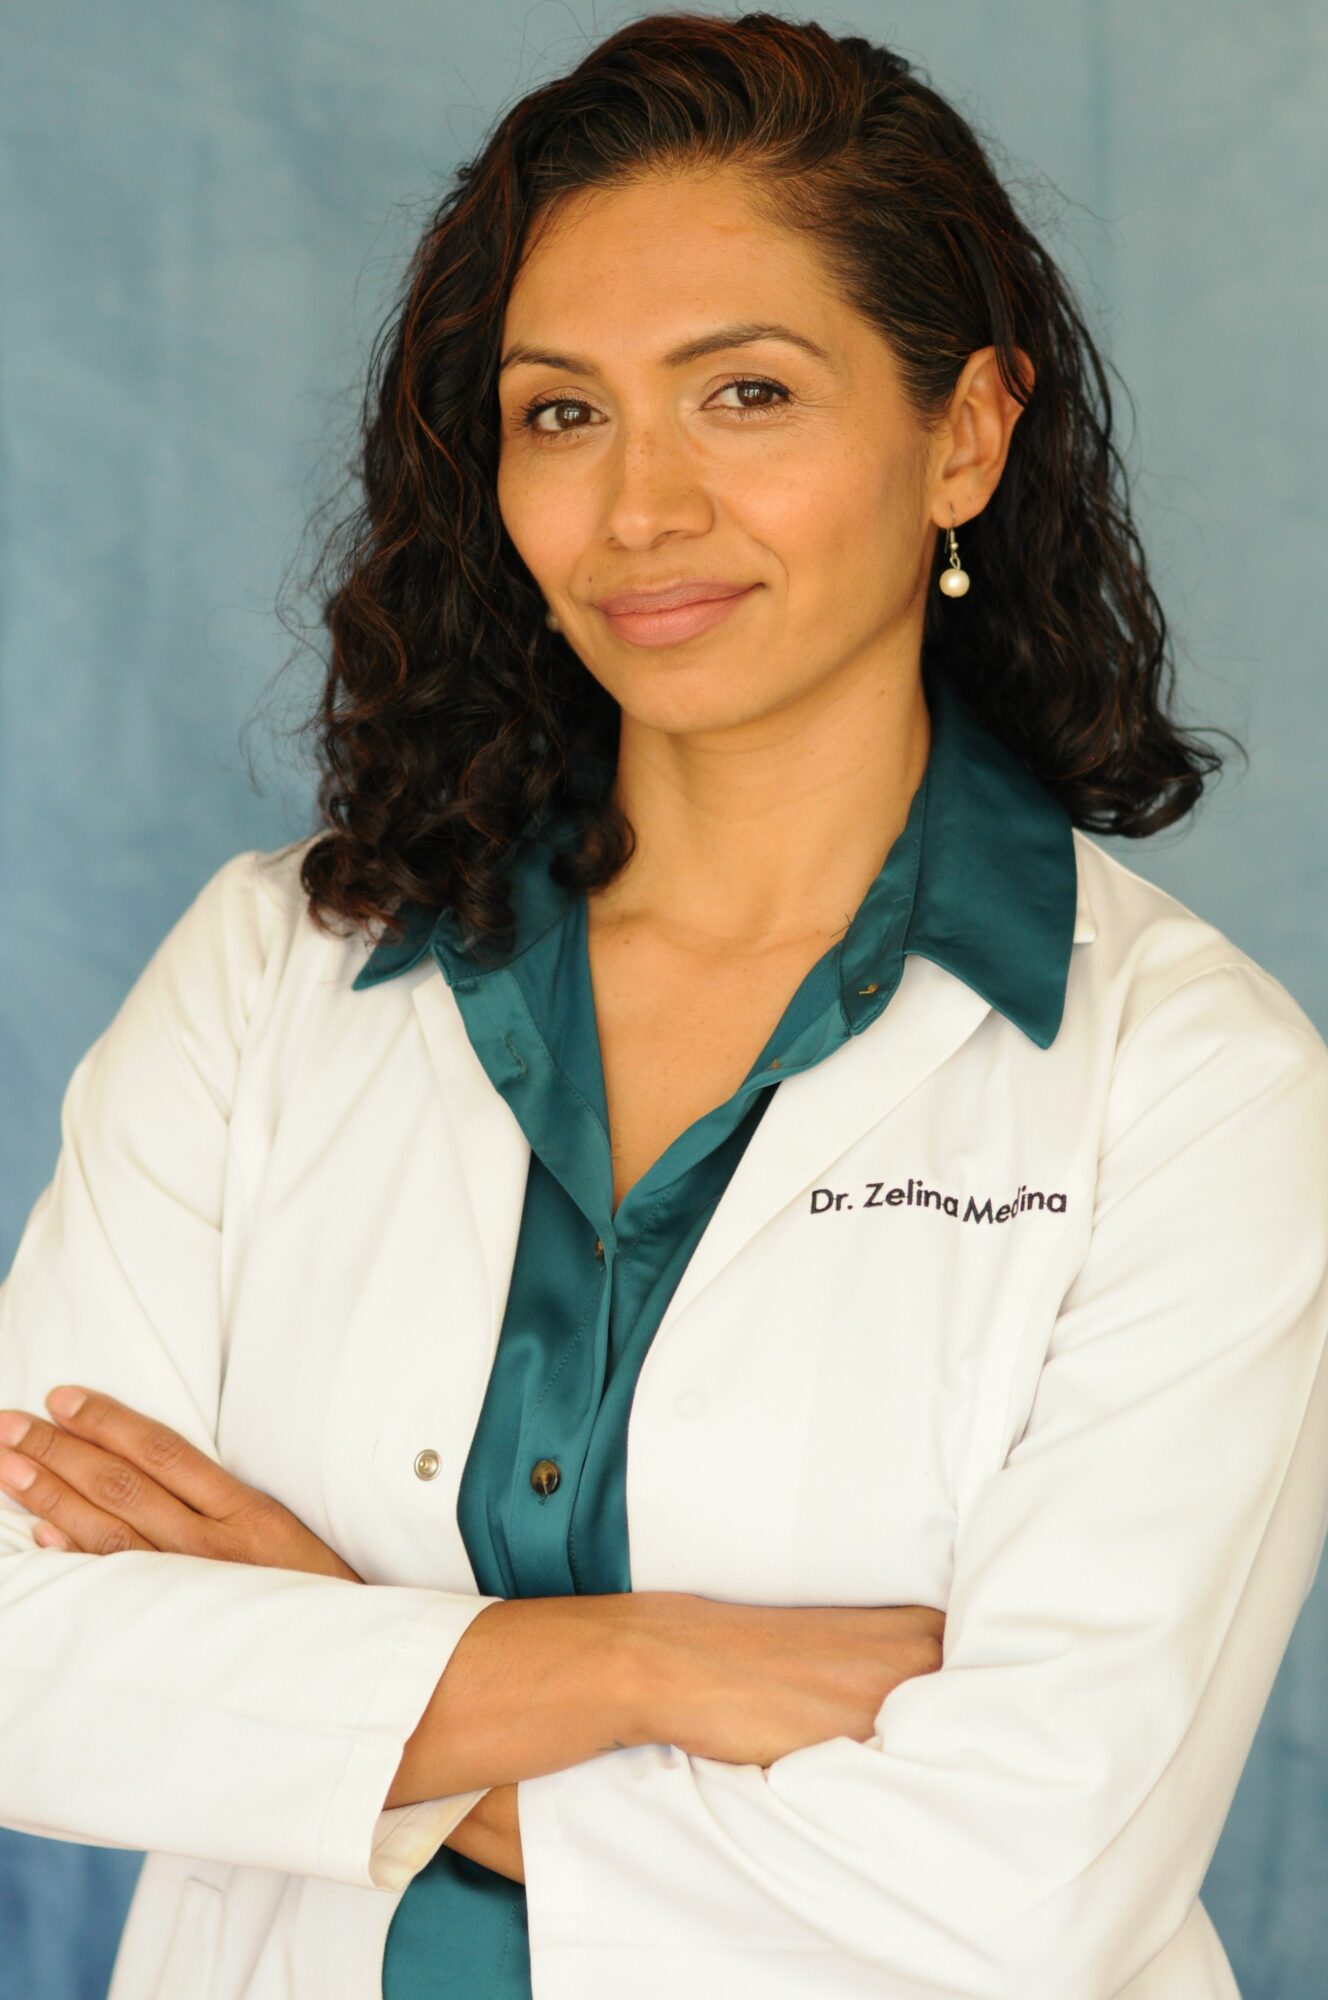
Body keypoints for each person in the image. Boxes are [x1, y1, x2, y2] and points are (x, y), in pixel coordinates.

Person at [2, 11, 1326, 1998]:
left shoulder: (1192, 1085)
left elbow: (1026, 1883)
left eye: (747, 395)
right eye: (561, 413)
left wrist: (317, 1671)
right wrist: (632, 1661)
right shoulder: (271, 968)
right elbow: (29, 1664)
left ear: (961, 431)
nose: (639, 513)